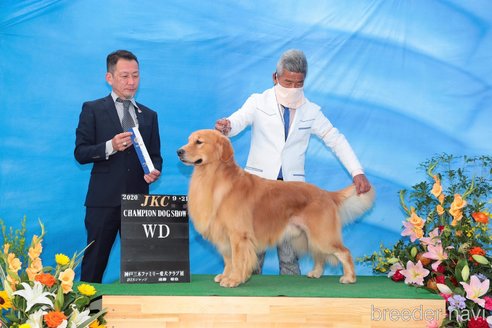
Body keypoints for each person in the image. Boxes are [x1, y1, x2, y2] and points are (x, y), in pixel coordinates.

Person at [215, 49, 371, 275]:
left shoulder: (312, 111)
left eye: (298, 83)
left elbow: (335, 139)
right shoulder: (257, 102)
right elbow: (237, 121)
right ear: (275, 77)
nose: (293, 88)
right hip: (257, 190)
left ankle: (292, 295)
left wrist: (357, 171)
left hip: (292, 194)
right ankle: (245, 287)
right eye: (288, 82)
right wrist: (227, 126)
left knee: (289, 258)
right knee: (250, 248)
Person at [75, 50, 163, 283]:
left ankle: (138, 317)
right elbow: (80, 153)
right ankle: (88, 315)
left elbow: (155, 156)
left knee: (142, 269)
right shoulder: (92, 109)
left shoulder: (150, 115)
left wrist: (154, 171)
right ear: (109, 78)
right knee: (94, 263)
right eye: (124, 76)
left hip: (139, 202)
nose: (131, 82)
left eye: (135, 75)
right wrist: (110, 146)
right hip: (103, 202)